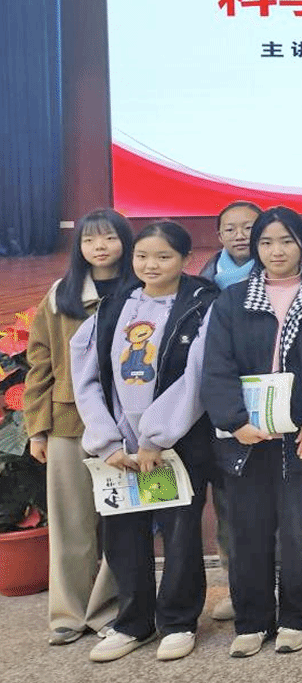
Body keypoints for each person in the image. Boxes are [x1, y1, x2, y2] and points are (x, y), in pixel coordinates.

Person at [70, 220, 218, 662]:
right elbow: (87, 376)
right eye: (142, 256)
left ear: (185, 259)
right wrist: (109, 442)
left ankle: (178, 621)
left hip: (173, 446)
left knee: (179, 533)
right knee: (124, 535)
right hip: (121, 451)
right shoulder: (115, 306)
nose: (151, 265)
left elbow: (196, 378)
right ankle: (133, 622)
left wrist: (156, 437)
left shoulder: (202, 305)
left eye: (163, 257)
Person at [201, 207, 302, 656]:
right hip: (248, 438)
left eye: (286, 241)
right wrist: (235, 422)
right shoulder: (233, 300)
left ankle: (298, 616)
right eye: (266, 242)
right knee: (248, 532)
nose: (276, 251)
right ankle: (253, 620)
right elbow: (216, 366)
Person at [23, 209, 132, 646]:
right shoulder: (60, 294)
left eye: (108, 238)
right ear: (79, 247)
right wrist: (37, 429)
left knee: (123, 521)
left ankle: (110, 610)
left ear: (125, 241)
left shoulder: (141, 289)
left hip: (128, 426)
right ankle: (68, 613)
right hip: (69, 423)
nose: (99, 247)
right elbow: (40, 363)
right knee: (72, 522)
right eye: (89, 240)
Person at [197, 198, 262, 622]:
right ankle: (239, 586)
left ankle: (276, 582)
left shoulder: (282, 275)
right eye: (231, 228)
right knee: (227, 502)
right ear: (218, 235)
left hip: (268, 407)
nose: (240, 235)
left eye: (249, 227)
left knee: (272, 500)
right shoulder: (201, 285)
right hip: (216, 408)